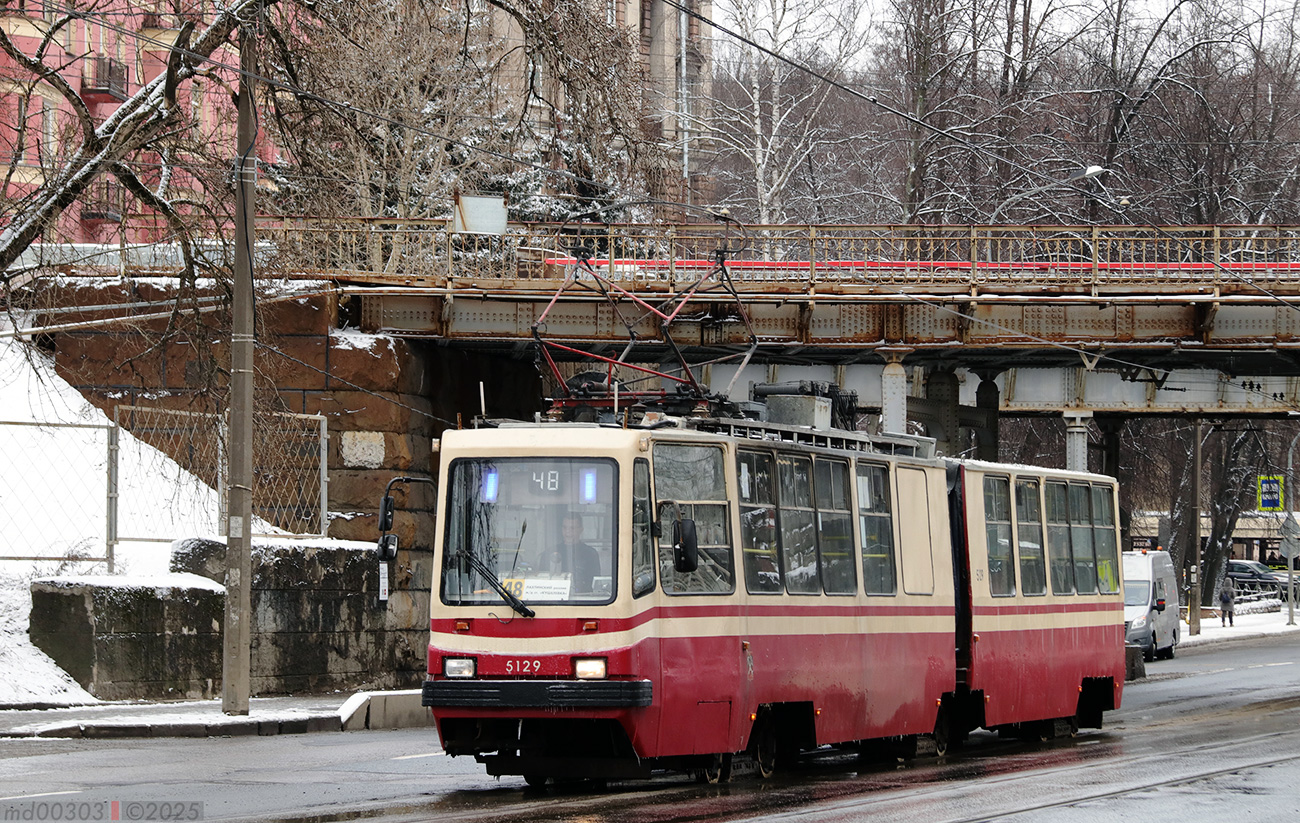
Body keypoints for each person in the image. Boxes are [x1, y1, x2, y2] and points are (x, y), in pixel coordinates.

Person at [546, 514, 601, 593]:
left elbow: (595, 583)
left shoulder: (590, 554)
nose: (568, 531)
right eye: (565, 527)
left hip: (584, 600)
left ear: (581, 530)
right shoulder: (550, 553)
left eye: (572, 528)